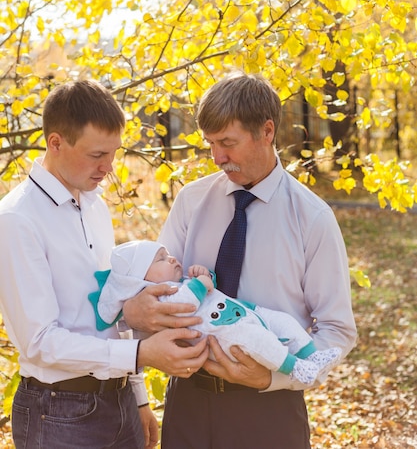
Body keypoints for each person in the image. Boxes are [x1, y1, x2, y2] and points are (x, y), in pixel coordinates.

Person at [122, 72, 358, 449]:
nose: (217, 157)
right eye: (210, 144)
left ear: (267, 131)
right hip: (187, 404)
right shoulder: (191, 201)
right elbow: (151, 294)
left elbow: (337, 331)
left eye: (228, 143)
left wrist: (271, 379)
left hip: (270, 411)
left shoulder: (312, 218)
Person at [0, 80, 209, 449]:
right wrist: (142, 354)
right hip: (58, 412)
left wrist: (138, 396)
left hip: (119, 401)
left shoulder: (95, 206)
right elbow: (39, 342)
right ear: (56, 143)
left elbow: (111, 310)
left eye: (113, 153)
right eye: (97, 154)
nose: (108, 167)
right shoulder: (17, 219)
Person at [89, 240, 342, 387]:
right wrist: (200, 283)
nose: (174, 259)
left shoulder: (181, 280)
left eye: (168, 254)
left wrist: (204, 275)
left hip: (244, 312)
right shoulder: (160, 295)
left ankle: (312, 355)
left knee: (284, 321)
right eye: (162, 259)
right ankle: (296, 367)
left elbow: (207, 291)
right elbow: (186, 302)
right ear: (141, 277)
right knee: (257, 340)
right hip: (228, 335)